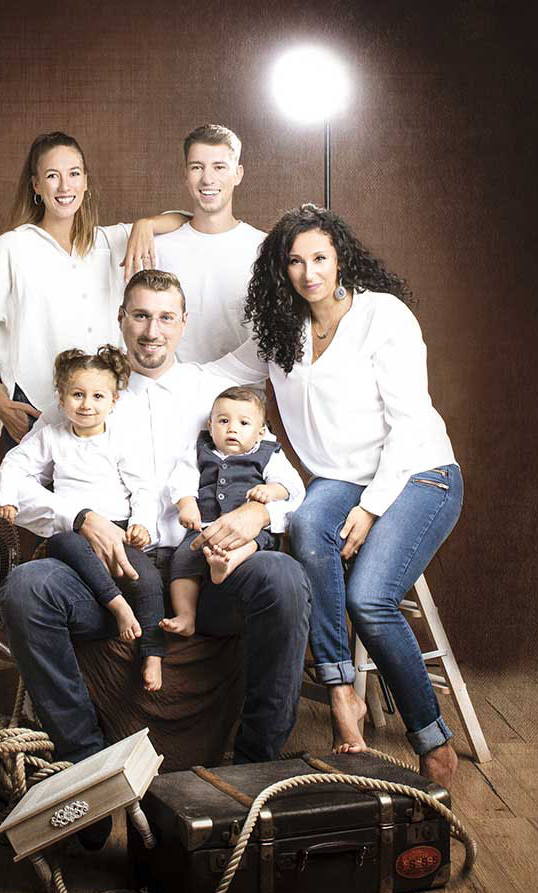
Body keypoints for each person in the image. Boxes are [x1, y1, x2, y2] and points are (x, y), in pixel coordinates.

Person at [0, 271, 311, 836]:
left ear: (182, 324)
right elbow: (12, 479)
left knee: (284, 579)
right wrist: (79, 518)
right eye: (140, 315)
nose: (152, 330)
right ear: (121, 319)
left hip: (208, 568)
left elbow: (288, 481)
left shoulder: (209, 391)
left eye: (166, 317)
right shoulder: (83, 393)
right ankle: (88, 771)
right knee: (26, 588)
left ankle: (254, 769)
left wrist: (260, 513)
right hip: (110, 573)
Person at [207, 204, 464, 787]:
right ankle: (342, 693)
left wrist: (371, 508)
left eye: (319, 257)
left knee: (371, 599)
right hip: (341, 479)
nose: (309, 272)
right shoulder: (281, 327)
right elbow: (218, 372)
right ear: (281, 270)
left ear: (340, 256)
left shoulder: (384, 317)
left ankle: (431, 736)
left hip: (420, 473)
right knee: (305, 528)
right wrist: (142, 370)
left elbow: (408, 424)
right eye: (294, 261)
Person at [0, 131, 187, 441]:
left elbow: (186, 219)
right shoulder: (11, 248)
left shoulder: (108, 241)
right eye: (53, 176)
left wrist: (146, 224)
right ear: (36, 185)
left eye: (74, 174)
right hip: (35, 407)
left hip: (102, 410)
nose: (65, 186)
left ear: (86, 181)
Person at [0, 346, 167, 692]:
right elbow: (13, 465)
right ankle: (118, 607)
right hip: (74, 534)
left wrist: (141, 522)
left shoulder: (120, 440)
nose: (87, 404)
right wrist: (7, 497)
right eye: (77, 395)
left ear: (113, 401)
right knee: (65, 543)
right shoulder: (52, 437)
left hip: (117, 529)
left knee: (146, 577)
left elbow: (143, 487)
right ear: (61, 398)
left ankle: (153, 652)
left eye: (97, 396)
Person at [161, 386, 304, 638]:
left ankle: (226, 565)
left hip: (248, 532)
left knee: (256, 542)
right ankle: (186, 615)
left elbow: (291, 486)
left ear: (260, 431)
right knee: (183, 560)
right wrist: (187, 504)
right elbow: (181, 480)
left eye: (243, 423)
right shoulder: (200, 450)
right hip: (204, 528)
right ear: (210, 424)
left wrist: (270, 490)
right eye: (223, 421)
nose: (232, 428)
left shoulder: (268, 454)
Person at [154, 125, 266, 364]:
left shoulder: (264, 249)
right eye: (197, 167)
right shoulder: (158, 248)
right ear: (186, 175)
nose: (207, 179)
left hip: (246, 395)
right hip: (176, 393)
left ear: (238, 174)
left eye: (219, 167)